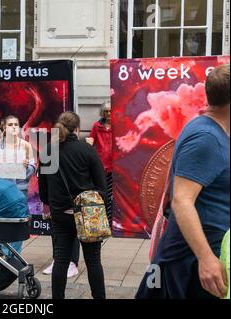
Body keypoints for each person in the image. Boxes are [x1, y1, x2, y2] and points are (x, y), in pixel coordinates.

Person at [135, 64, 230, 299]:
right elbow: (182, 201)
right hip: (193, 261)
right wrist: (206, 258)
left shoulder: (214, 130)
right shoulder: (206, 137)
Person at [38, 111, 107, 299]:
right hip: (87, 213)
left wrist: (49, 204)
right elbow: (102, 186)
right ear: (77, 128)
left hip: (60, 214)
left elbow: (43, 187)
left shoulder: (48, 152)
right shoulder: (87, 150)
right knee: (93, 261)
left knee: (60, 259)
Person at [0, 115, 36, 255]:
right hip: (0, 191)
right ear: (4, 128)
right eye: (10, 124)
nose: (14, 127)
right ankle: (3, 254)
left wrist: (27, 167)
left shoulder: (25, 145)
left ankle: (15, 256)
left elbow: (33, 168)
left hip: (19, 191)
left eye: (16, 124)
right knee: (2, 224)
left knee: (18, 224)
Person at [87, 101, 113, 224]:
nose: (108, 113)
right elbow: (90, 142)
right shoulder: (97, 126)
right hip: (101, 165)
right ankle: (102, 221)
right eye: (106, 111)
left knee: (114, 196)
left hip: (115, 166)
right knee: (102, 194)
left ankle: (112, 220)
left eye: (110, 111)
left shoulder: (118, 125)